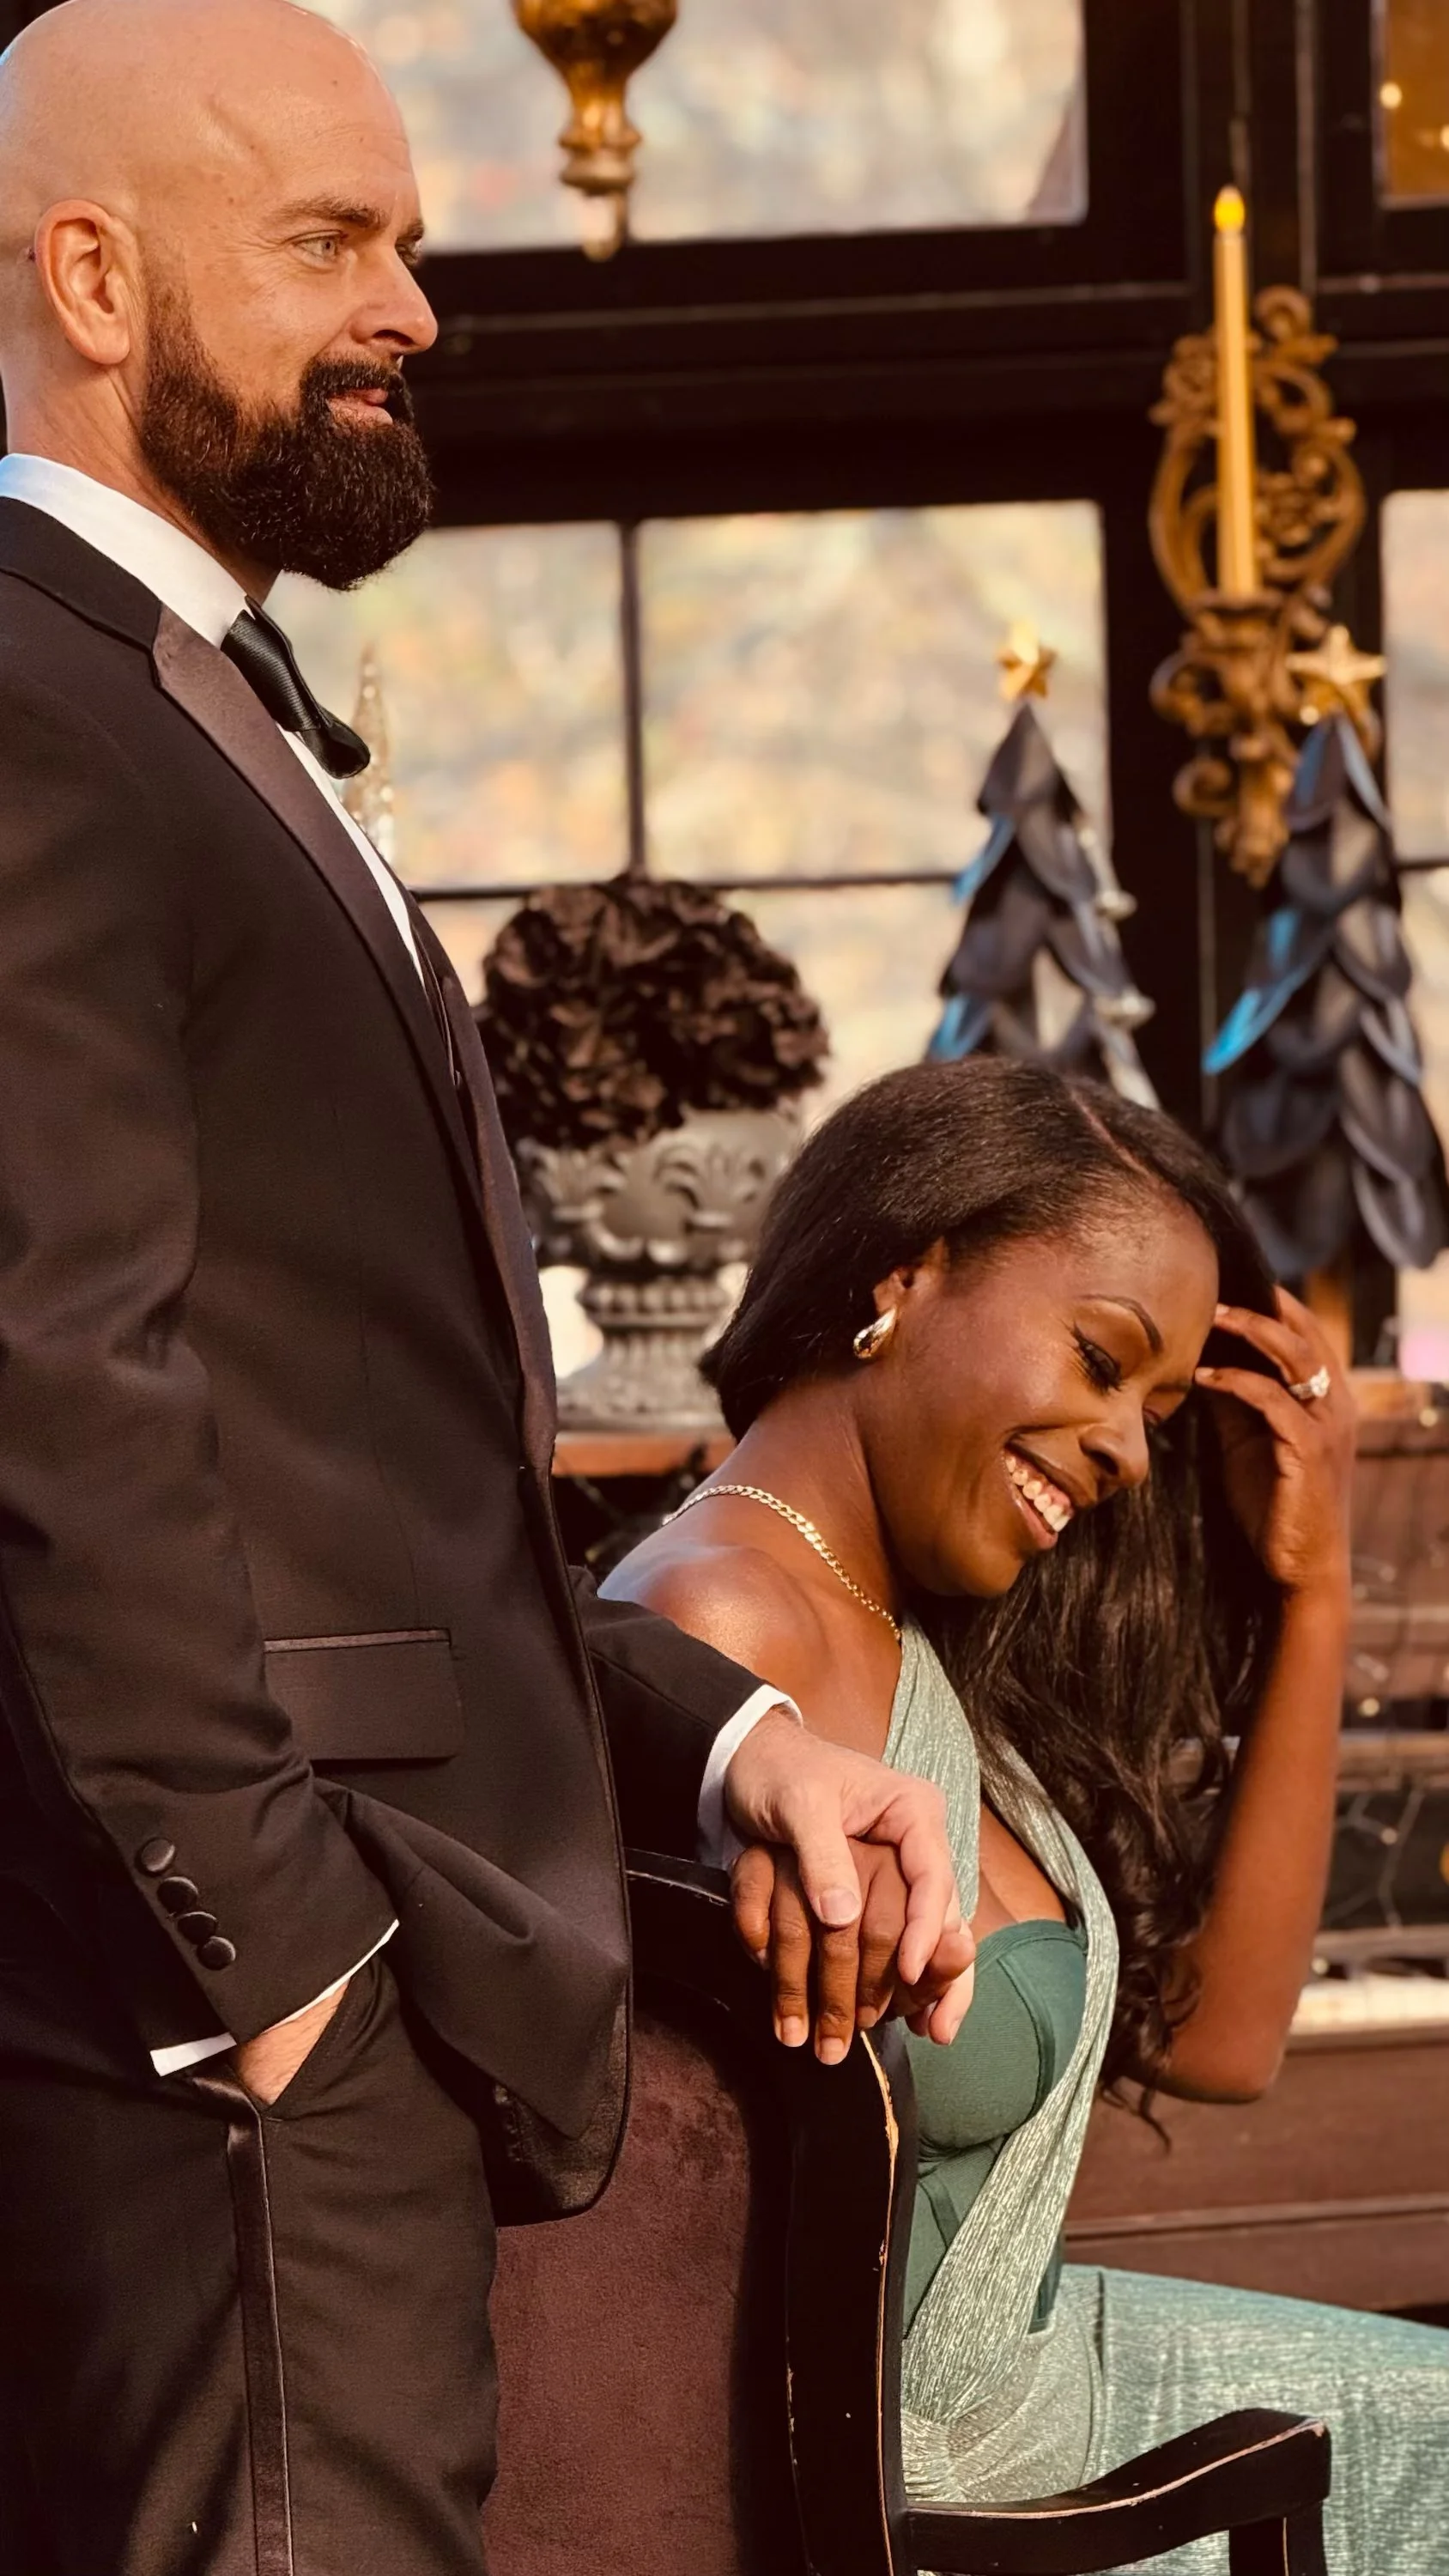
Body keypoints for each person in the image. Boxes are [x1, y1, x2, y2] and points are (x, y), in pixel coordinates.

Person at [0, 7, 975, 2572]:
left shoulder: (182, 702)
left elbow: (364, 1492)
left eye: (409, 243)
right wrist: (271, 1984)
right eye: (329, 241)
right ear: (92, 281)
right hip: (220, 2071)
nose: (414, 307)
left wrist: (735, 1747)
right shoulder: (33, 706)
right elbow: (51, 1398)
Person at [607, 1056, 1449, 2574]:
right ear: (905, 1277)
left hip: (1046, 2394)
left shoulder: (901, 1633)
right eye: (1102, 1359)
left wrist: (1312, 1590)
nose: (1129, 1451)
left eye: (1162, 1411)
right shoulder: (720, 1625)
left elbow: (1224, 2041)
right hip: (939, 2510)